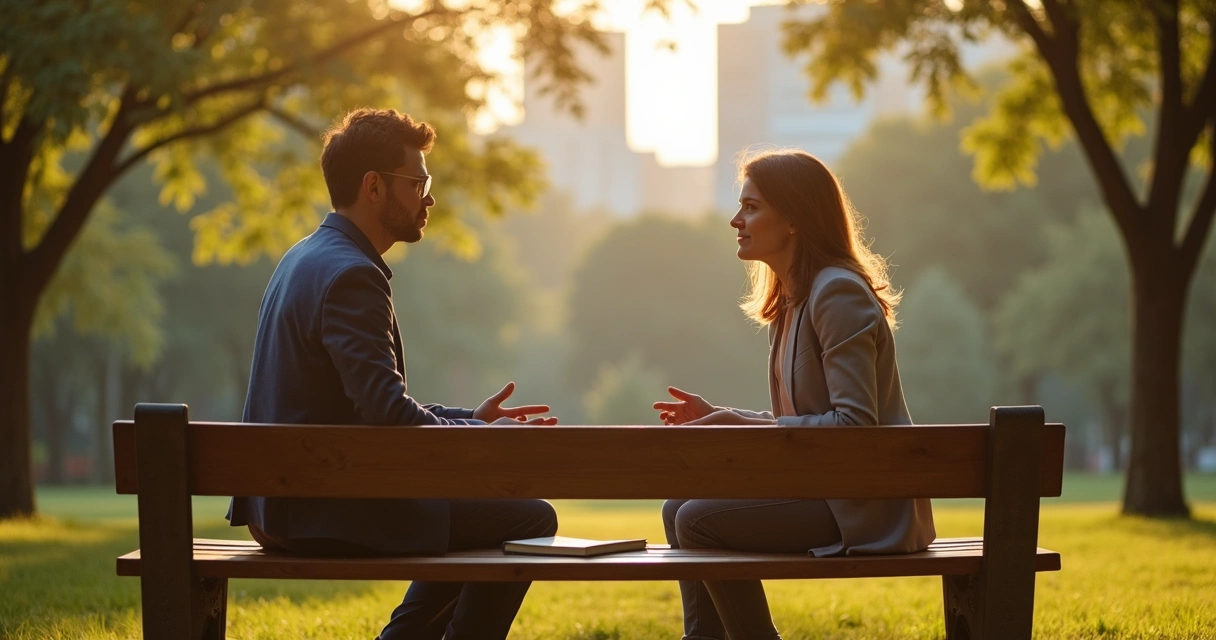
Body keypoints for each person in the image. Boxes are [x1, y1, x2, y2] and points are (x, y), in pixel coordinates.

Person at [226, 108, 558, 640]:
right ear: (374, 187)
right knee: (529, 518)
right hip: (322, 512)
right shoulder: (353, 274)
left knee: (494, 511)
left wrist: (469, 417)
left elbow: (373, 401)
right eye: (418, 182)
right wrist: (481, 439)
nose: (429, 197)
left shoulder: (303, 257)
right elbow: (386, 411)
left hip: (282, 505)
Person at [652, 149, 936, 640]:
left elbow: (852, 427)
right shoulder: (792, 299)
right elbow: (805, 420)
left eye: (752, 207)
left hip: (860, 506)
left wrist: (740, 429)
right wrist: (724, 416)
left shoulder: (836, 294)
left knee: (699, 520)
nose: (735, 220)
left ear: (794, 220)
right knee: (679, 506)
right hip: (826, 488)